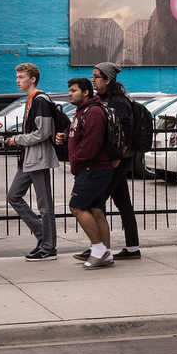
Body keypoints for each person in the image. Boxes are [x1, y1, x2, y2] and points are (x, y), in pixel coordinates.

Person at [0, 63, 59, 260]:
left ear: (33, 79)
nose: (17, 80)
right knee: (14, 196)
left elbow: (43, 132)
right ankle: (43, 237)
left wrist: (17, 139)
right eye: (17, 77)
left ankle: (48, 248)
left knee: (45, 205)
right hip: (28, 159)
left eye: (21, 77)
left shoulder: (40, 100)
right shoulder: (30, 100)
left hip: (38, 159)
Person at [73, 63, 141, 262]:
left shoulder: (118, 101)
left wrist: (118, 158)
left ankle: (99, 248)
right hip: (112, 160)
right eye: (93, 76)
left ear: (108, 79)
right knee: (123, 204)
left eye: (96, 76)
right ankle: (131, 247)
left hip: (116, 161)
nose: (93, 80)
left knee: (95, 202)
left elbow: (125, 132)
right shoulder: (102, 100)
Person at [63, 77, 117, 269]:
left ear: (86, 92)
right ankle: (107, 254)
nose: (70, 93)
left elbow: (91, 144)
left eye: (74, 90)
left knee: (77, 207)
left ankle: (98, 249)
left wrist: (77, 160)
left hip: (92, 169)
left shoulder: (93, 112)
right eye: (69, 90)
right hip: (95, 168)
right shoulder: (83, 111)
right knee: (96, 210)